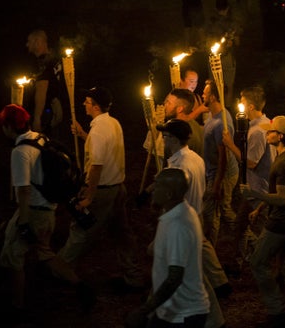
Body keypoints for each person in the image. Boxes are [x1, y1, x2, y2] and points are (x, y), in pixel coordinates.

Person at [0, 104, 94, 316]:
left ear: (9, 127)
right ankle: (81, 286)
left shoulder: (20, 152)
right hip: (49, 209)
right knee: (45, 253)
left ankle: (17, 306)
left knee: (14, 256)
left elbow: (23, 190)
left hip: (32, 211)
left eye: (3, 125)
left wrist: (22, 221)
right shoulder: (41, 139)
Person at [59, 86, 145, 289]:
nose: (84, 104)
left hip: (102, 190)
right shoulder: (112, 123)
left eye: (87, 101)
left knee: (80, 231)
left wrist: (89, 196)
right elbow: (102, 148)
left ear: (96, 106)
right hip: (118, 188)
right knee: (121, 233)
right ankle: (133, 276)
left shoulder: (98, 130)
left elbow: (97, 165)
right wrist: (82, 135)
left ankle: (59, 269)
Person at [156, 119, 230, 327]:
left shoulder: (181, 166)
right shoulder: (196, 158)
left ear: (172, 138)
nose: (162, 139)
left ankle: (213, 318)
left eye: (165, 135)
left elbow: (176, 196)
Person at [125, 169, 210, 328]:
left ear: (169, 194)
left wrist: (144, 310)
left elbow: (175, 277)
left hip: (183, 315)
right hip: (175, 310)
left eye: (156, 187)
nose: (152, 191)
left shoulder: (177, 224)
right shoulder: (181, 212)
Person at [242, 116, 285, 328]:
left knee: (258, 262)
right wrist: (260, 208)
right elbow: (278, 192)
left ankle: (278, 309)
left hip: (279, 223)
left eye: (271, 132)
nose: (267, 134)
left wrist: (254, 194)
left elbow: (282, 198)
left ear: (281, 136)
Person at [221, 86, 275, 273]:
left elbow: (251, 162)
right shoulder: (261, 125)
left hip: (260, 191)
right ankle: (238, 264)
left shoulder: (259, 131)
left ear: (251, 106)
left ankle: (267, 265)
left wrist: (230, 145)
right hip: (252, 189)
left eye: (242, 102)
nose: (239, 105)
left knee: (263, 231)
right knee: (240, 226)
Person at [201, 80, 239, 246]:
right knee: (219, 211)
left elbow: (224, 157)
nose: (202, 95)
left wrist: (217, 183)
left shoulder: (222, 123)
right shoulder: (213, 114)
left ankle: (247, 238)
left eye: (205, 93)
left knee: (216, 213)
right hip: (213, 172)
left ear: (213, 97)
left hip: (222, 174)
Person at [25, 29, 67, 140]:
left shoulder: (42, 63)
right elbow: (55, 85)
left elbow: (42, 89)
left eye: (29, 41)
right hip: (52, 109)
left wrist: (37, 118)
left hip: (44, 113)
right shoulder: (54, 59)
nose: (27, 44)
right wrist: (55, 100)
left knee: (40, 145)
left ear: (37, 42)